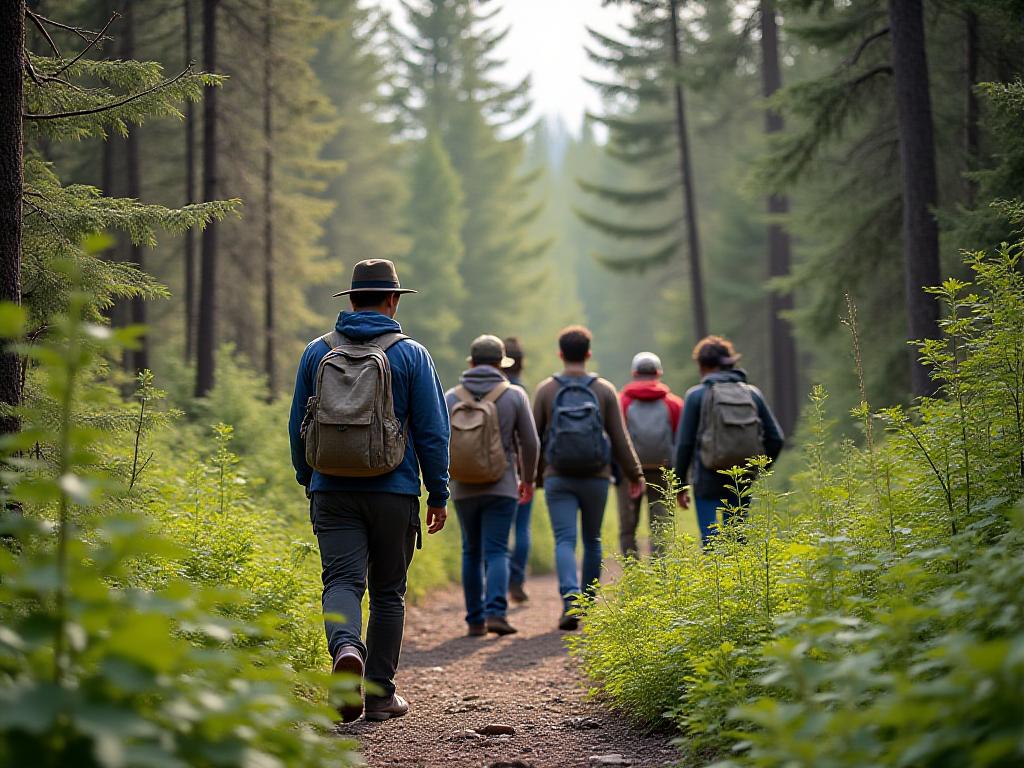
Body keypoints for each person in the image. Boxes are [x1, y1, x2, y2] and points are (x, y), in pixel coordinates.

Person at [288, 259, 450, 723]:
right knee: (387, 592)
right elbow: (433, 431)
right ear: (393, 300)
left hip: (331, 490)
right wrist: (437, 492)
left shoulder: (317, 352)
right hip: (394, 491)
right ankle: (379, 695)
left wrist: (309, 478)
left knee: (341, 582)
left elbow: (298, 424)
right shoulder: (412, 354)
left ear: (352, 299)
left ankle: (345, 650)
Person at [533, 325, 644, 631]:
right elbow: (620, 438)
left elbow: (534, 439)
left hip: (558, 477)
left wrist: (532, 477)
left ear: (560, 354)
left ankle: (570, 597)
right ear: (588, 353)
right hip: (596, 476)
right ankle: (587, 604)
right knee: (592, 539)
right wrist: (634, 473)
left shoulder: (546, 390)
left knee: (564, 539)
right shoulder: (604, 389)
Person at [445, 335, 539, 637]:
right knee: (497, 550)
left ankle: (475, 619)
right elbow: (531, 442)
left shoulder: (451, 397)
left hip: (463, 486)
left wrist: (442, 480)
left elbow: (438, 439)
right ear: (501, 364)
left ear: (471, 362)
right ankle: (496, 612)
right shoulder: (514, 395)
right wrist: (528, 479)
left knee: (471, 551)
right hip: (502, 483)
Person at [674, 335, 784, 547]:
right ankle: (739, 570)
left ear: (702, 365)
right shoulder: (752, 394)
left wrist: (680, 486)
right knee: (737, 541)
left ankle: (715, 570)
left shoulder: (696, 396)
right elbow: (776, 439)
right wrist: (757, 468)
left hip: (706, 479)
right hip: (741, 478)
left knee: (711, 542)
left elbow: (684, 444)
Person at [617, 351, 683, 557]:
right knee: (660, 523)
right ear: (659, 373)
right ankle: (659, 569)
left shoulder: (621, 401)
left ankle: (632, 569)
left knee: (628, 526)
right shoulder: (674, 403)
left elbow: (616, 437)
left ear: (634, 373)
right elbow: (680, 440)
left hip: (629, 471)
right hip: (663, 470)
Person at [502, 336, 532, 603]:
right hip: (519, 469)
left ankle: (495, 584)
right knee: (522, 528)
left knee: (496, 533)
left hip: (493, 470)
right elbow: (529, 437)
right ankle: (517, 581)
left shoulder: (492, 389)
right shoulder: (520, 391)